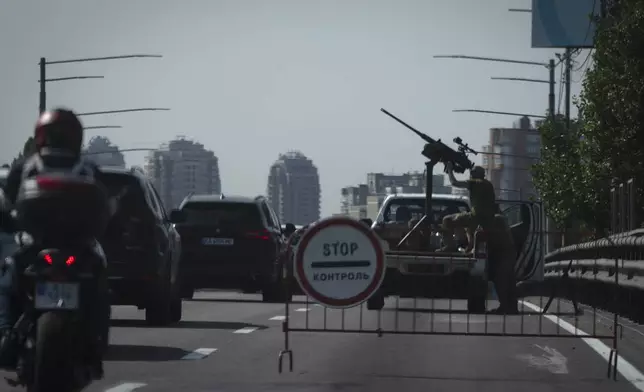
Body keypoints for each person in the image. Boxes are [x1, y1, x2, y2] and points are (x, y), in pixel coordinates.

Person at [0, 108, 116, 378]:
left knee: (9, 276)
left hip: (37, 246)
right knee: (98, 283)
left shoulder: (28, 166)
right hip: (75, 247)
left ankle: (6, 338)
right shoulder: (87, 168)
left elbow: (7, 201)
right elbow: (106, 209)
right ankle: (95, 346)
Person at [440, 163, 497, 252]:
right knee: (468, 227)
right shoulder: (488, 184)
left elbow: (454, 183)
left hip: (476, 216)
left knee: (446, 220)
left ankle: (449, 245)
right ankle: (469, 248)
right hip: (488, 219)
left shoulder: (474, 182)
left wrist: (450, 170)